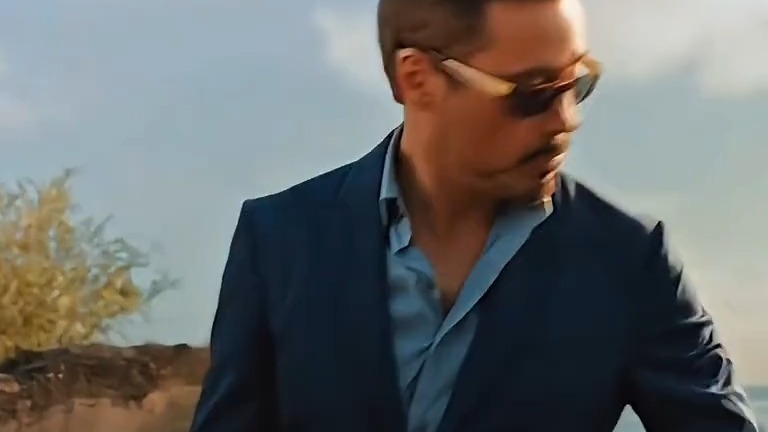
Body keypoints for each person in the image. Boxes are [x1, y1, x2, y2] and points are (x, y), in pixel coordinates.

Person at [189, 0, 760, 430]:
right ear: (417, 79)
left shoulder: (629, 262)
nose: (567, 119)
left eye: (578, 83)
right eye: (533, 92)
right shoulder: (279, 241)